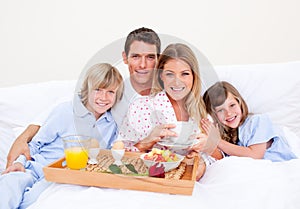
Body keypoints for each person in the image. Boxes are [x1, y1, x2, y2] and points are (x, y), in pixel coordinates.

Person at [6, 27, 161, 168]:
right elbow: (55, 113)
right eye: (135, 56)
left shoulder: (169, 93)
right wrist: (23, 138)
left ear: (158, 59)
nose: (142, 65)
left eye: (150, 57)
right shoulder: (113, 88)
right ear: (125, 58)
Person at [0, 63, 124, 209]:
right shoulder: (65, 111)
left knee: (34, 201)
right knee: (10, 183)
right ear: (87, 89)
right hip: (36, 167)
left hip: (60, 177)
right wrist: (19, 162)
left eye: (111, 92)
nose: (104, 97)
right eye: (98, 90)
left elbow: (106, 155)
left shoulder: (111, 125)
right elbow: (36, 144)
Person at [118, 43, 223, 180]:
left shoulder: (202, 111)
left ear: (193, 76)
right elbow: (118, 157)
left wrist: (209, 147)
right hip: (152, 181)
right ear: (161, 75)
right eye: (170, 74)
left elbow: (221, 158)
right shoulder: (141, 107)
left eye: (184, 74)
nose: (177, 82)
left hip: (190, 183)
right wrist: (147, 142)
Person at [202, 81, 297, 162]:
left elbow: (255, 155)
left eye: (232, 105)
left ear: (239, 102)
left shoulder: (257, 122)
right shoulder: (227, 136)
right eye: (220, 110)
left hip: (278, 165)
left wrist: (217, 141)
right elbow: (221, 158)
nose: (229, 113)